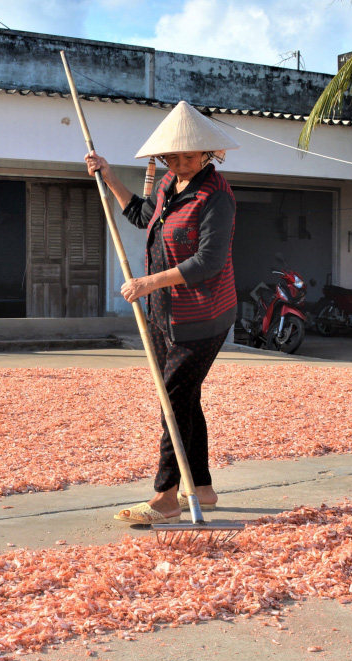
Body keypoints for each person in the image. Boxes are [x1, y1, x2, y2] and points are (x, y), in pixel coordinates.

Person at [84, 101, 239, 524]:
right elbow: (140, 215)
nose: (180, 162)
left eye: (188, 155)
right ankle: (202, 488)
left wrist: (147, 283)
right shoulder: (170, 183)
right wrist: (109, 175)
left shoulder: (216, 197)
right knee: (185, 397)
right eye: (173, 156)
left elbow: (208, 262)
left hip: (204, 316)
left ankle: (165, 498)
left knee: (172, 399)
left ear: (206, 153)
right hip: (163, 314)